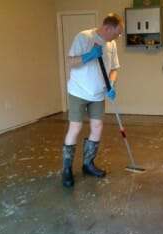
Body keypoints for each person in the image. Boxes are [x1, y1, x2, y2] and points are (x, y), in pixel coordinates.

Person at [62, 13, 124, 188]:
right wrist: (89, 55)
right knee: (76, 127)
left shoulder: (111, 44)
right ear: (107, 28)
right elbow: (70, 62)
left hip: (98, 94)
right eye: (117, 33)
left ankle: (88, 164)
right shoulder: (83, 37)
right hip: (79, 91)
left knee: (97, 127)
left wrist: (111, 83)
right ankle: (66, 169)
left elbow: (114, 68)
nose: (118, 37)